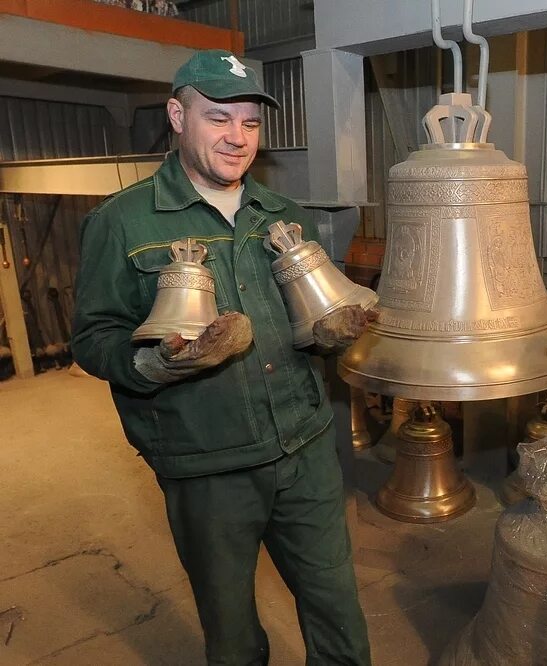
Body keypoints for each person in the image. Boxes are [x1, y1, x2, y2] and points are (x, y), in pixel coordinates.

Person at [71, 49, 373, 665]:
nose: (238, 138)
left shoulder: (284, 216)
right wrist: (152, 366)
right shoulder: (122, 223)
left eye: (250, 123)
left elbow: (305, 321)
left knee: (337, 610)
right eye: (218, 118)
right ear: (178, 115)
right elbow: (93, 336)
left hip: (304, 447)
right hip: (206, 465)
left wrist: (331, 333)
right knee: (233, 636)